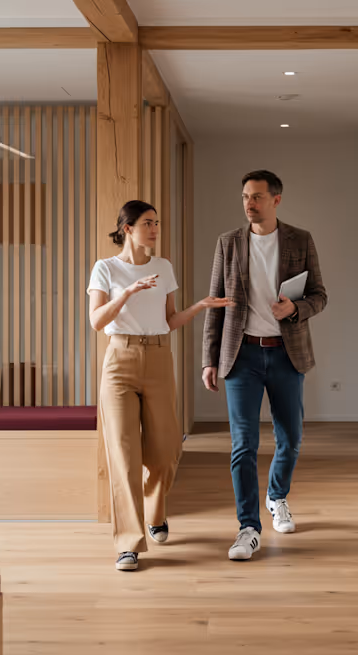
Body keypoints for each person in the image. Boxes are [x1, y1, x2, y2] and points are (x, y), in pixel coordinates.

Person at [88, 200, 233, 571]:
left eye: (157, 223)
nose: (155, 229)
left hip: (158, 359)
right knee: (123, 456)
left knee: (167, 451)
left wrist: (200, 306)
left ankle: (155, 513)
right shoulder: (105, 268)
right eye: (148, 223)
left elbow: (169, 321)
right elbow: (96, 320)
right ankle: (129, 544)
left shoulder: (163, 267)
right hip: (119, 361)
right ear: (127, 228)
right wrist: (127, 293)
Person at [202, 170, 328, 561]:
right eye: (244, 196)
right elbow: (215, 303)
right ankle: (248, 528)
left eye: (256, 196)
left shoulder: (299, 240)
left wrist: (296, 307)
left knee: (290, 438)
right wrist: (209, 359)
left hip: (286, 354)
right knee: (244, 445)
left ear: (276, 199)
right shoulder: (228, 243)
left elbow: (320, 295)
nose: (249, 203)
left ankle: (277, 496)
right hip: (241, 356)